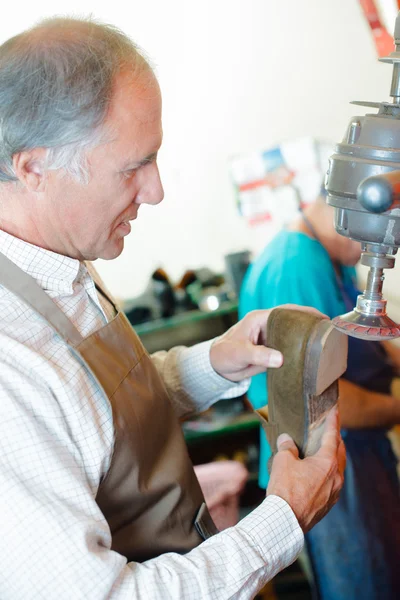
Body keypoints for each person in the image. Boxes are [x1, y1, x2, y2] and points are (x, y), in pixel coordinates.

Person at [0, 17, 345, 600]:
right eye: (134, 166)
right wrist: (283, 517)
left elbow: (94, 417)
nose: (156, 190)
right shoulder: (10, 358)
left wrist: (215, 364)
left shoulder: (62, 269)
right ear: (34, 170)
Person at [240, 191, 400, 600]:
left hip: (362, 459)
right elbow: (323, 398)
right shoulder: (293, 267)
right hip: (326, 472)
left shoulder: (332, 257)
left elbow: (371, 338)